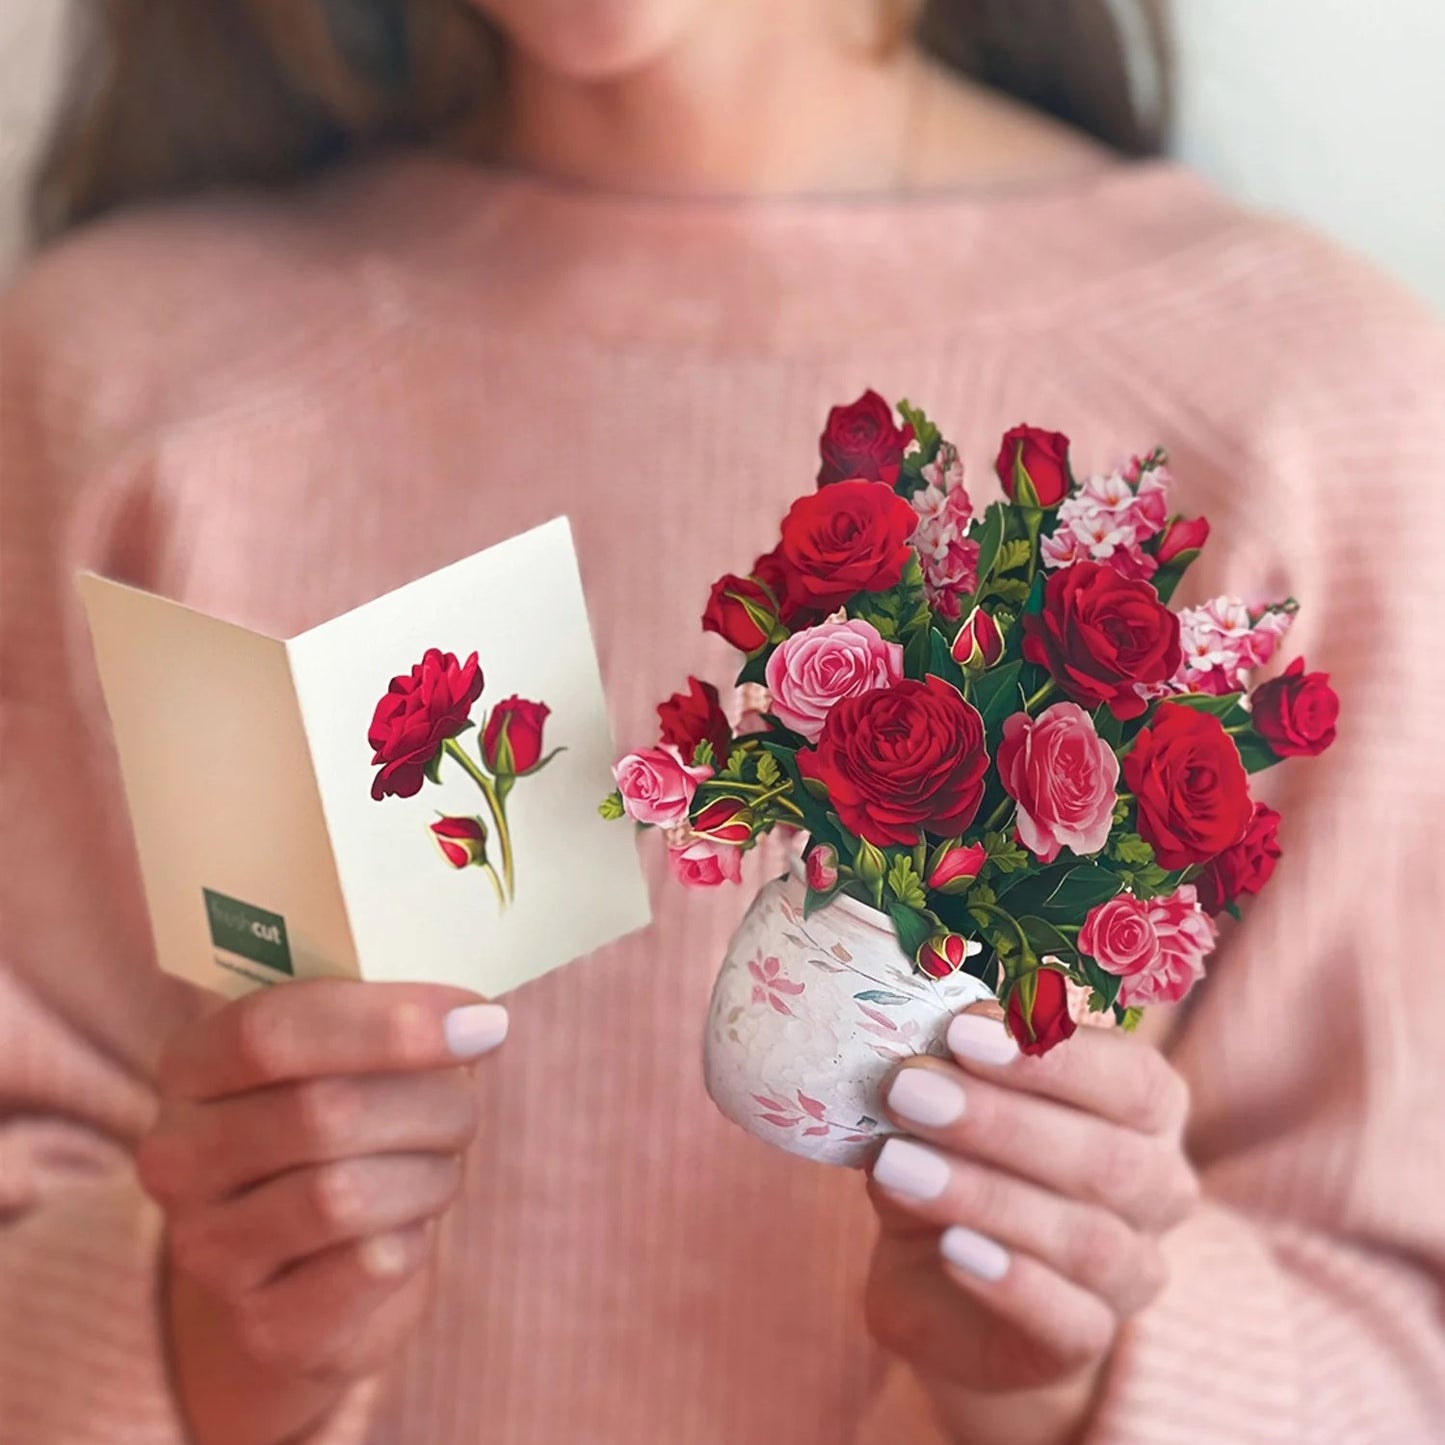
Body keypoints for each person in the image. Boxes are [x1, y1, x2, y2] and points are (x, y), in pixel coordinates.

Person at [1, 3, 1442, 1443]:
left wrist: (1071, 1379)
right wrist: (204, 1344)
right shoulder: (115, 391)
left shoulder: (1317, 421)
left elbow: (1403, 1344)